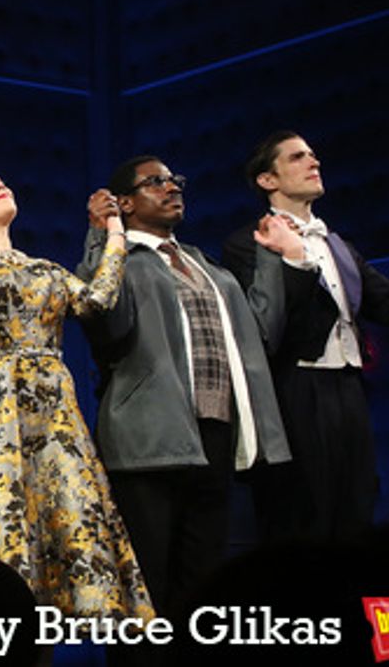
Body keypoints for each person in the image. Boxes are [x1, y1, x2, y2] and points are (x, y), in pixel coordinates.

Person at [0, 157, 153, 620]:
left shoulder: (45, 268)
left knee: (65, 519)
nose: (0, 186)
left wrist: (115, 233)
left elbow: (97, 301)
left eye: (0, 179)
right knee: (1, 518)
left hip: (51, 413)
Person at [76, 155, 310, 615]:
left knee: (201, 583)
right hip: (150, 440)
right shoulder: (123, 258)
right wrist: (103, 237)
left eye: (175, 180)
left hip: (213, 436)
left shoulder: (205, 265)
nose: (172, 188)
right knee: (145, 585)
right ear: (124, 203)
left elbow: (260, 334)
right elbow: (103, 320)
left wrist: (270, 257)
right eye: (155, 182)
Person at [220, 131, 389, 543]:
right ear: (267, 180)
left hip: (347, 389)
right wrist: (292, 259)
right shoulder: (249, 243)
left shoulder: (338, 246)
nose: (314, 162)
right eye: (297, 157)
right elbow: (268, 329)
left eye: (313, 155)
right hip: (293, 390)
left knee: (356, 512)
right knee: (302, 521)